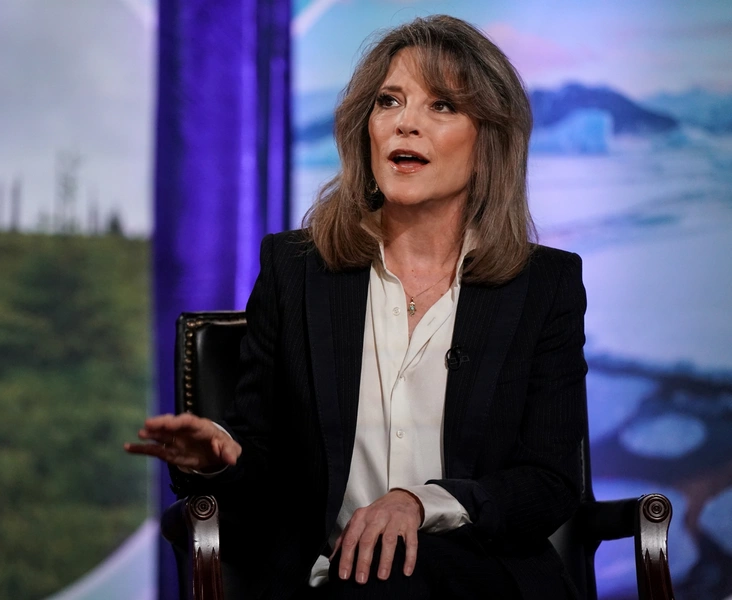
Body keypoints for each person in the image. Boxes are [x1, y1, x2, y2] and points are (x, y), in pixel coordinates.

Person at [126, 14, 587, 600]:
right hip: (326, 577)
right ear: (364, 128)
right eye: (389, 101)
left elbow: (548, 481)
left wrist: (420, 503)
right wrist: (219, 458)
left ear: (488, 138)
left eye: (441, 105)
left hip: (477, 575)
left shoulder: (543, 285)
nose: (405, 124)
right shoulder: (295, 271)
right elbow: (263, 461)